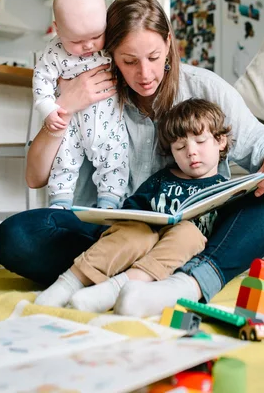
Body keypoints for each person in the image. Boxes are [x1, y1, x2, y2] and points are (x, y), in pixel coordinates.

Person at [0, 0, 264, 318]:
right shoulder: (85, 89)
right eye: (129, 61)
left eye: (154, 57)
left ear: (169, 43)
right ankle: (114, 275)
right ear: (110, 53)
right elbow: (35, 177)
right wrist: (65, 107)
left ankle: (188, 283)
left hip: (191, 239)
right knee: (15, 236)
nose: (145, 73)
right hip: (111, 237)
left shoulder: (204, 88)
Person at [34, 98, 231, 313]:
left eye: (200, 142)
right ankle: (69, 283)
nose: (191, 152)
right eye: (180, 147)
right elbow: (133, 206)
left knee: (188, 234)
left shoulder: (225, 189)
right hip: (142, 241)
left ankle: (115, 289)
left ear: (220, 141)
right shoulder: (162, 179)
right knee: (134, 232)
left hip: (173, 258)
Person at [32, 0, 128, 210]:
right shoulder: (54, 52)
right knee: (63, 159)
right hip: (71, 121)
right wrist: (48, 107)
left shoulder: (112, 42)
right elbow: (41, 79)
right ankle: (60, 202)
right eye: (76, 41)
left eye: (96, 36)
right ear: (57, 28)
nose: (88, 46)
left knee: (116, 156)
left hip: (109, 120)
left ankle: (110, 203)